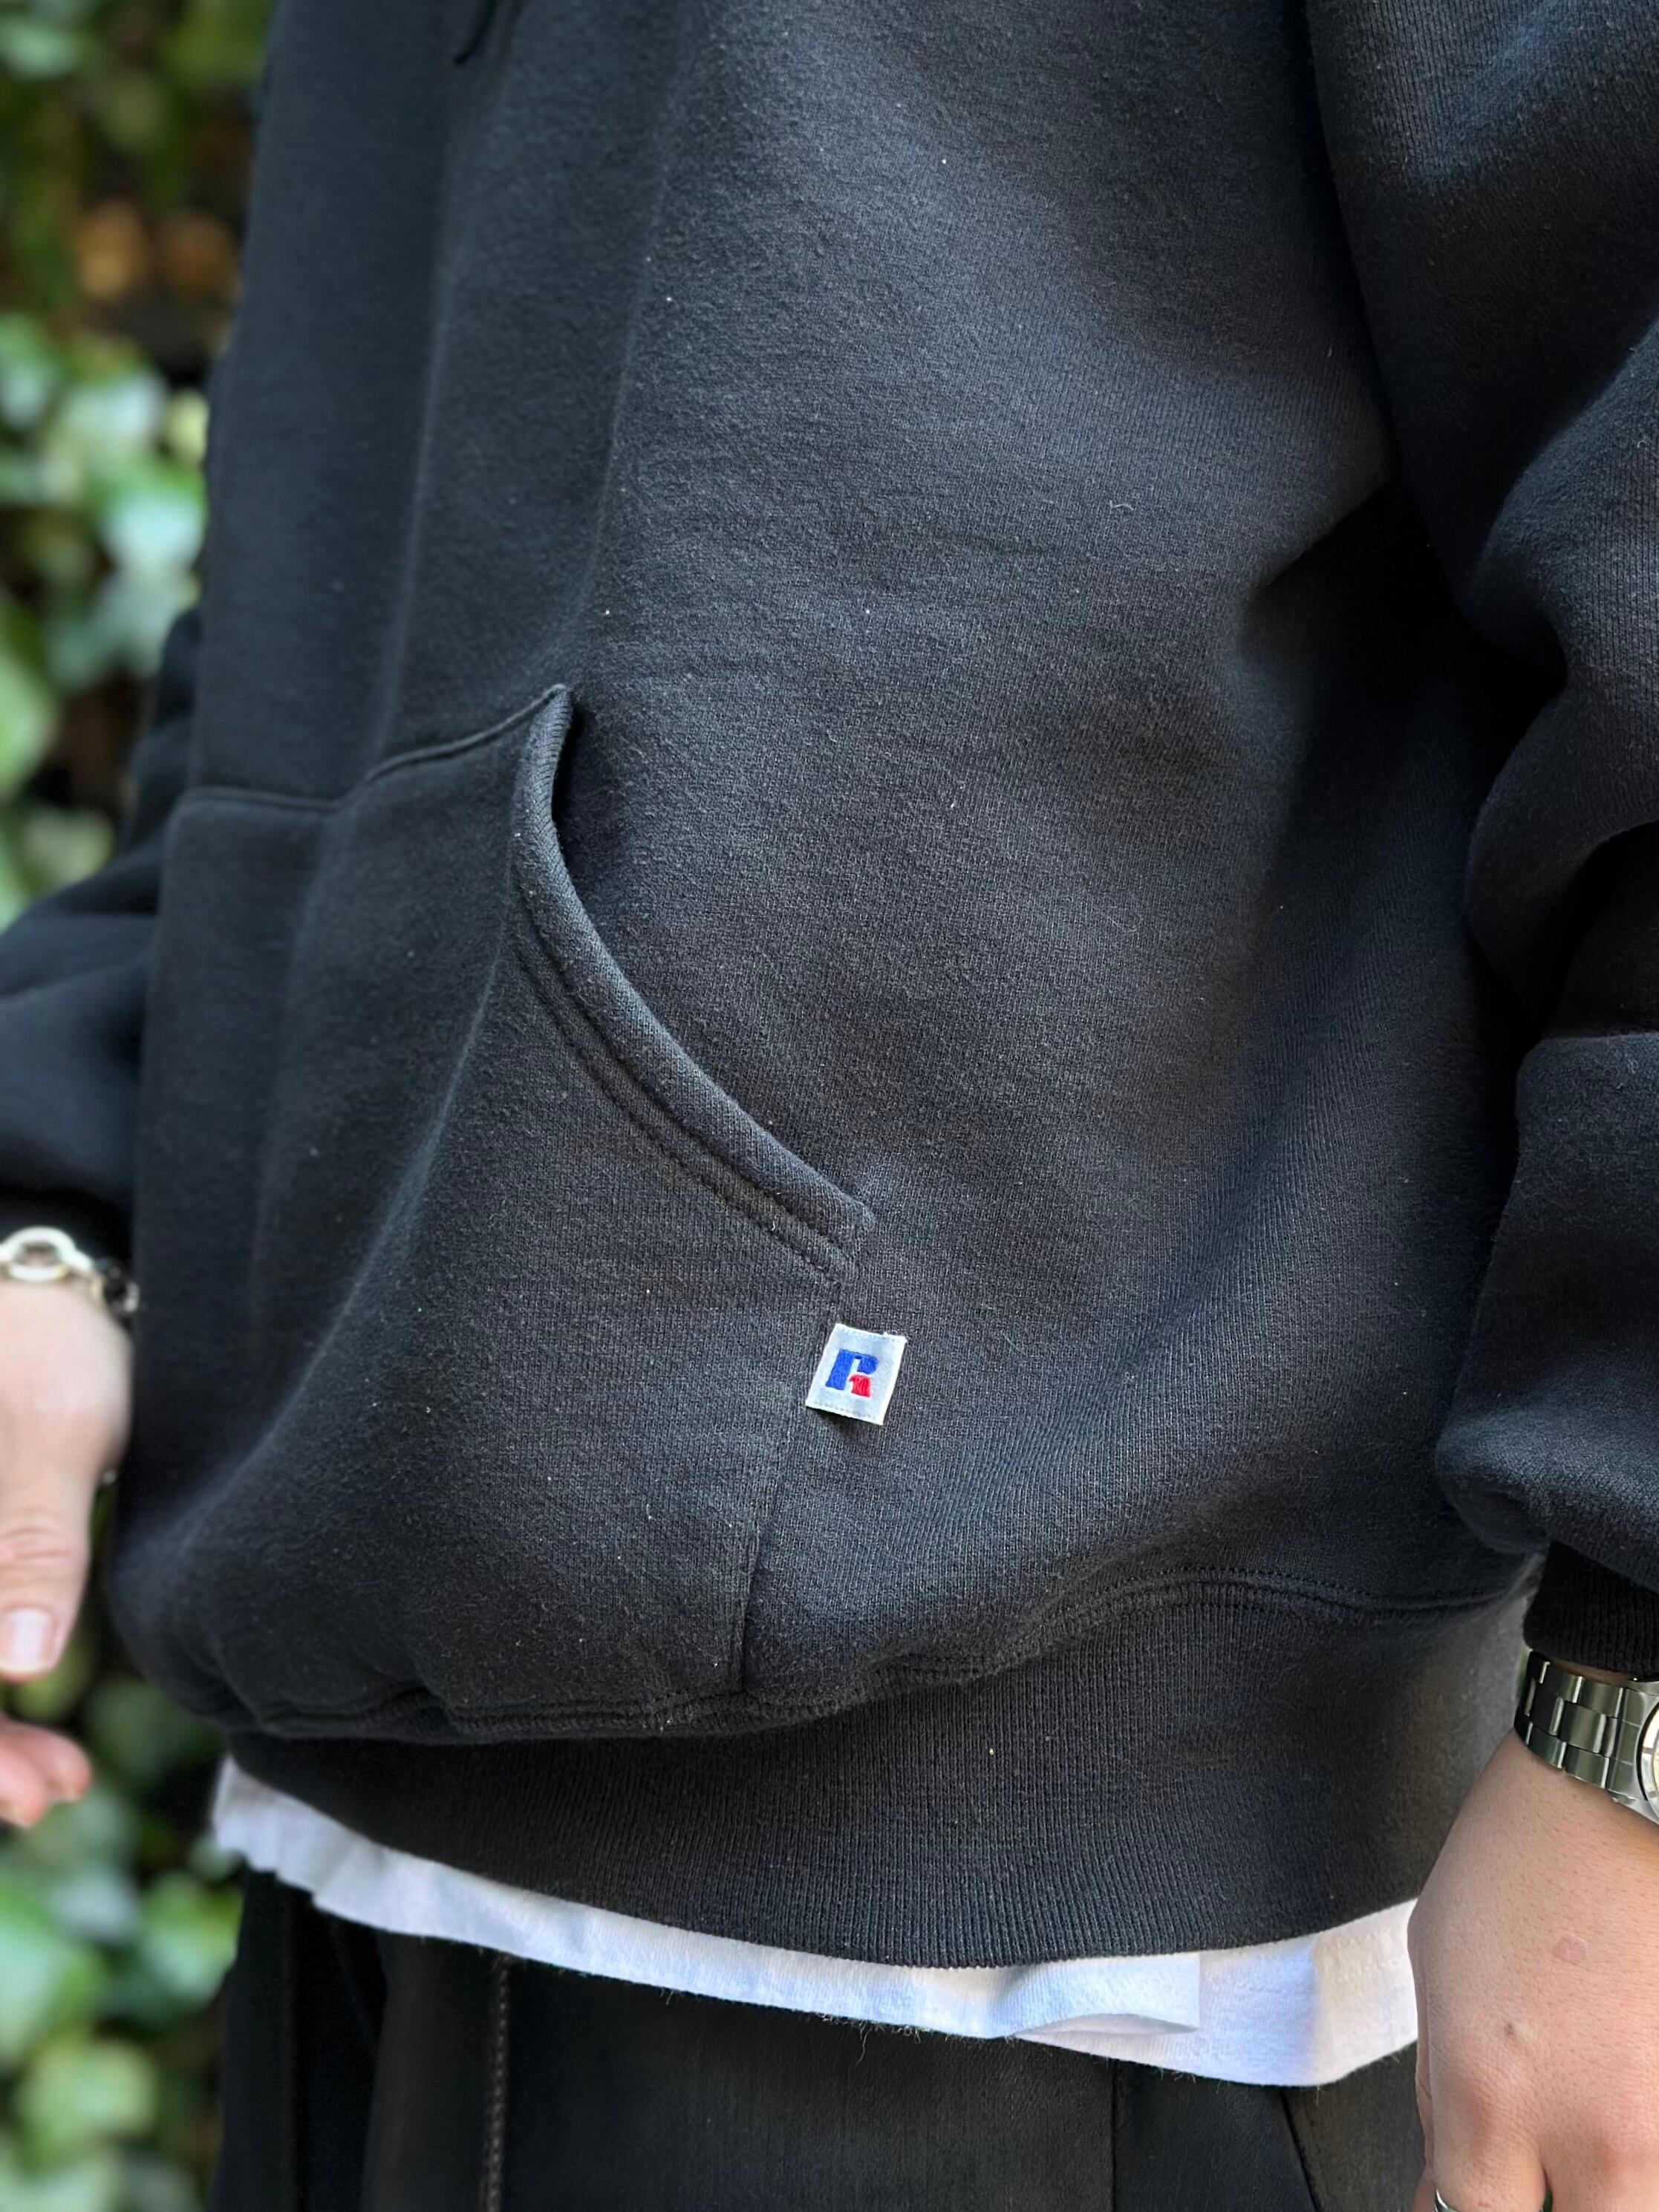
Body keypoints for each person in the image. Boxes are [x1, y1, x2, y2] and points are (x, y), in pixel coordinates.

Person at [1, 0, 1657, 2203]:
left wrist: (1637, 1716)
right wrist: (69, 1207)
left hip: (1063, 1959)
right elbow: (339, 575)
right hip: (347, 1840)